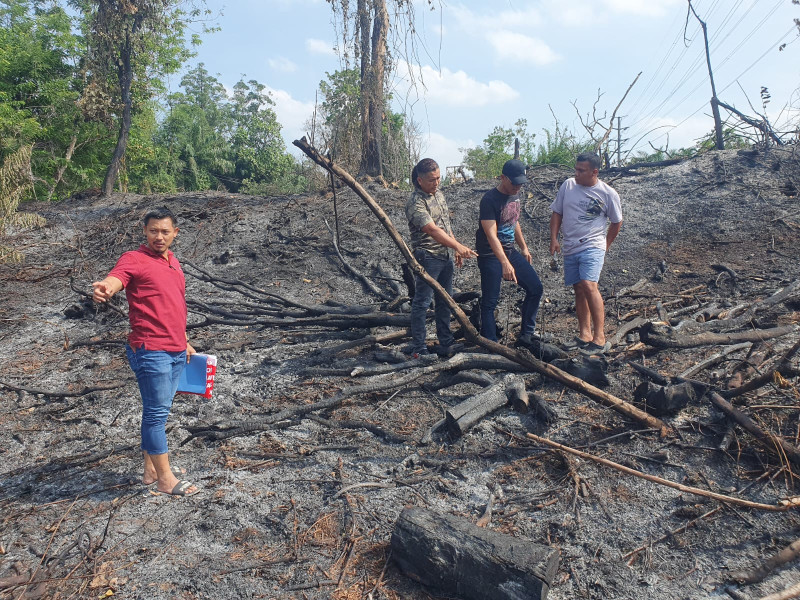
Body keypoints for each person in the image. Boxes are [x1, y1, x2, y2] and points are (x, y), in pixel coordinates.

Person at [92, 207, 199, 496]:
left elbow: (175, 305)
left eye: (165, 231)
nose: (159, 237)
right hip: (151, 350)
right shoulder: (134, 259)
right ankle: (166, 480)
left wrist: (184, 339)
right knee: (156, 415)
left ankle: (151, 470)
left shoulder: (174, 262)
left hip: (176, 347)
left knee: (155, 412)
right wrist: (106, 287)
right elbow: (117, 277)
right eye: (154, 231)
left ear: (175, 233)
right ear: (145, 231)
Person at [549, 152, 623, 355]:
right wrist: (554, 239)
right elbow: (557, 212)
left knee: (590, 285)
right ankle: (584, 334)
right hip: (570, 246)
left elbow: (617, 222)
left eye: (581, 170)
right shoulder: (568, 186)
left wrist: (605, 245)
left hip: (593, 244)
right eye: (576, 169)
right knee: (579, 289)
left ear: (594, 172)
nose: (576, 173)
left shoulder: (608, 194)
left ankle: (600, 337)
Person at [405, 158, 478, 357]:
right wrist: (458, 246)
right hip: (427, 256)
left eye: (438, 178)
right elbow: (432, 230)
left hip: (444, 255)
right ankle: (419, 347)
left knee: (445, 299)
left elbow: (445, 226)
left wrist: (454, 248)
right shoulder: (415, 202)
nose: (436, 183)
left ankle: (445, 341)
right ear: (419, 180)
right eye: (431, 180)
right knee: (422, 301)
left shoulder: (439, 195)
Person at [476, 159, 544, 345]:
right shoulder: (489, 200)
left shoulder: (516, 195)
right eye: (514, 182)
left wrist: (524, 247)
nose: (518, 187)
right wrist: (505, 262)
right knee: (490, 301)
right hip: (490, 254)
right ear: (503, 178)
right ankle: (490, 343)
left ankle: (527, 335)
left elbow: (514, 221)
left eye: (521, 183)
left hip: (510, 250)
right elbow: (491, 235)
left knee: (535, 288)